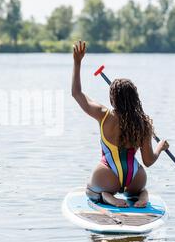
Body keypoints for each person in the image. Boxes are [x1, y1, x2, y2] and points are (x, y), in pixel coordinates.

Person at [71, 41, 169, 208]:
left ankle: (108, 197)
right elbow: (148, 161)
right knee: (139, 190)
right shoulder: (143, 122)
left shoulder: (104, 115)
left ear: (113, 99)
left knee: (91, 192)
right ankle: (143, 197)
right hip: (135, 177)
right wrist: (160, 147)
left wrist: (77, 62)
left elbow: (77, 93)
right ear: (135, 99)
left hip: (107, 175)